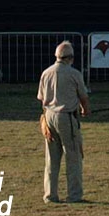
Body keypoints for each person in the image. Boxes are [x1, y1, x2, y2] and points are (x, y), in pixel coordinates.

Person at [37, 40, 90, 204]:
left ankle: (50, 195)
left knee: (51, 159)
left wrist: (45, 119)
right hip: (66, 117)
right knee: (73, 157)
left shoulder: (46, 73)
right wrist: (85, 110)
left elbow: (42, 99)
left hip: (49, 116)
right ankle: (74, 196)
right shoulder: (74, 74)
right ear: (70, 58)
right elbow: (83, 97)